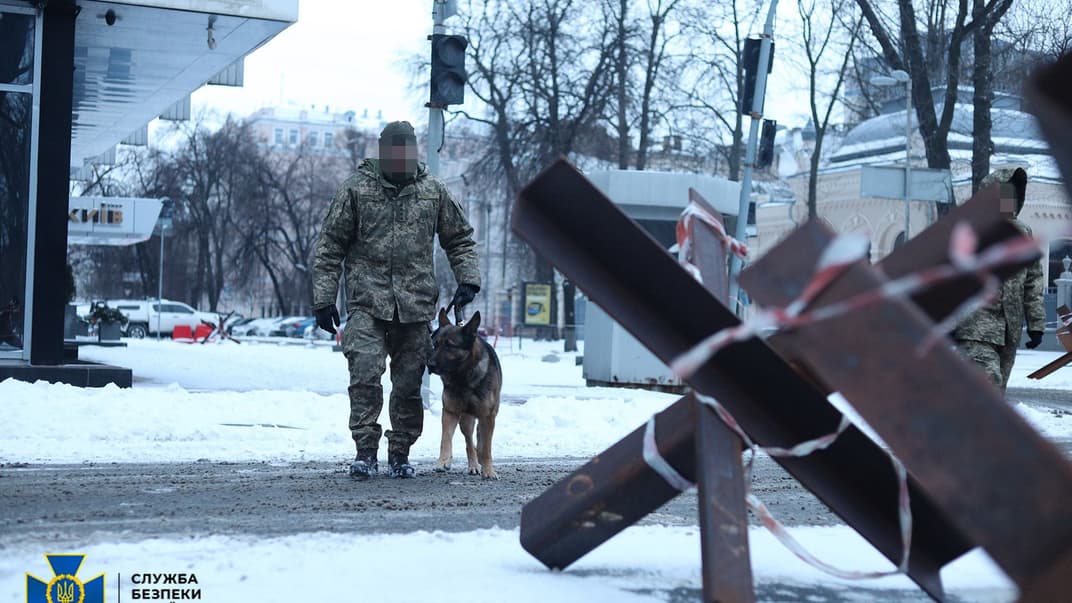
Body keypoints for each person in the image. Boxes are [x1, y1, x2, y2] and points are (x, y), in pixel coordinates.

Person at [311, 120, 481, 480]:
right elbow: (330, 246)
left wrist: (468, 279)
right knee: (365, 374)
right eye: (395, 150)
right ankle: (365, 451)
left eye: (408, 149)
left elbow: (460, 238)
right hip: (366, 301)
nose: (402, 157)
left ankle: (400, 452)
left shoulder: (433, 191)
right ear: (382, 150)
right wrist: (324, 298)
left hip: (415, 304)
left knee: (408, 383)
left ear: (416, 151)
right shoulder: (357, 190)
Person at [953, 166, 1046, 394]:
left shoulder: (1023, 232)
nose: (1008, 201)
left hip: (1009, 329)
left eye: (1012, 195)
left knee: (995, 393)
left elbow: (1032, 281)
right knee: (989, 382)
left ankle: (969, 427)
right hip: (974, 327)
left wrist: (1036, 325)